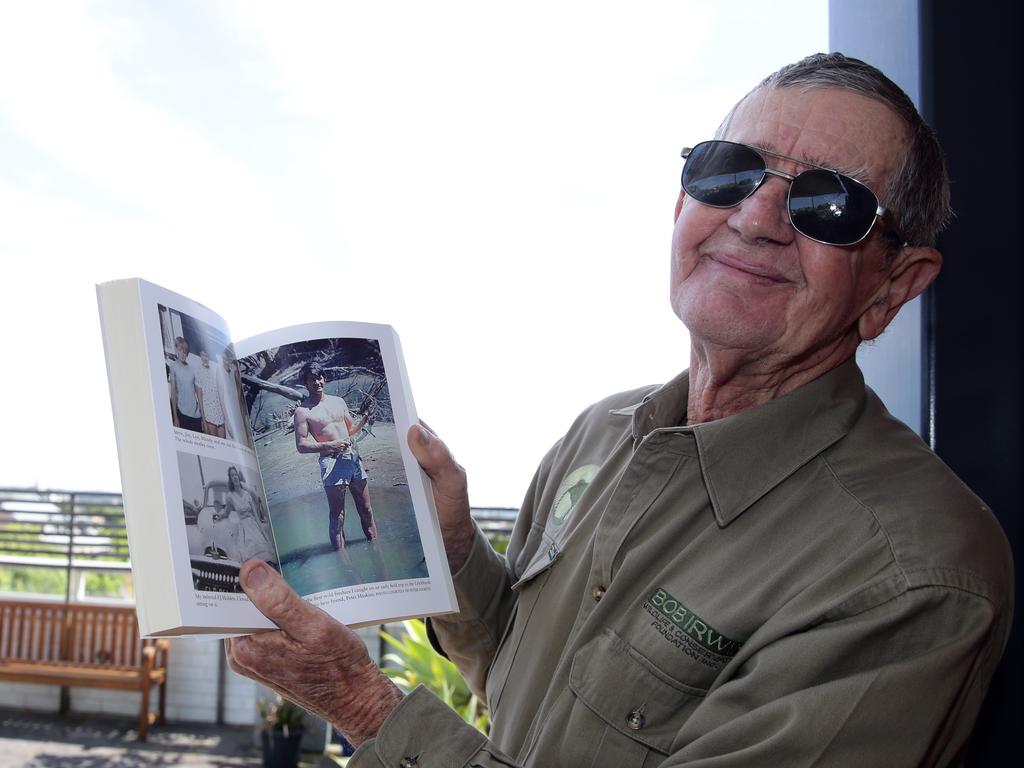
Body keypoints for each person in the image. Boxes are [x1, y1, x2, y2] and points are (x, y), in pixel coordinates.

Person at [224, 53, 1014, 766]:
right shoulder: (599, 433)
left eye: (830, 204)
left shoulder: (912, 573)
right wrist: (457, 553)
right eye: (729, 171)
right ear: (682, 205)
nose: (755, 219)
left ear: (893, 286)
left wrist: (368, 709)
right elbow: (516, 676)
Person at [292, 361, 378, 551]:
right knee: (338, 516)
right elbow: (301, 446)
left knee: (366, 510)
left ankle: (376, 551)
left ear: (324, 378)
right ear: (305, 383)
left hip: (353, 458)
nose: (317, 382)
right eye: (311, 379)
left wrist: (364, 420)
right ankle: (342, 562)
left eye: (319, 377)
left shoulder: (338, 401)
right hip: (332, 463)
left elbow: (350, 430)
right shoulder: (302, 411)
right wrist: (329, 445)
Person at [167, 336, 203, 432]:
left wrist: (202, 415)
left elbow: (198, 392)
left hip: (196, 415)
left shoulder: (192, 369)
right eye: (180, 350)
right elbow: (173, 393)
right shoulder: (173, 366)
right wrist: (175, 417)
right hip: (182, 414)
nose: (183, 354)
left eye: (185, 352)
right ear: (176, 350)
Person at [196, 348, 227, 438]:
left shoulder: (215, 369)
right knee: (215, 445)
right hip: (208, 415)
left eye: (206, 355)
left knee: (224, 443)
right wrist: (203, 420)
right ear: (200, 356)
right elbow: (199, 396)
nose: (205, 358)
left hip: (219, 413)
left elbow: (221, 393)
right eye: (202, 355)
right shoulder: (198, 371)